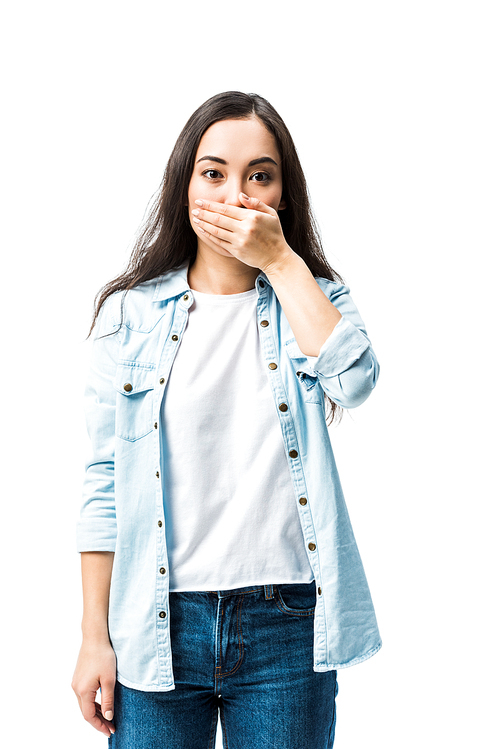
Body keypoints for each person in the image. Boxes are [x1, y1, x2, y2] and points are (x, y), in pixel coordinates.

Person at [71, 90, 382, 749]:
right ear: (184, 187)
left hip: (287, 624)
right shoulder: (129, 315)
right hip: (156, 624)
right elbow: (103, 483)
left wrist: (279, 260)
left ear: (282, 195)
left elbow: (354, 381)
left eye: (259, 176)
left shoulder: (315, 299)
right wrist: (93, 636)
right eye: (213, 173)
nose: (235, 194)